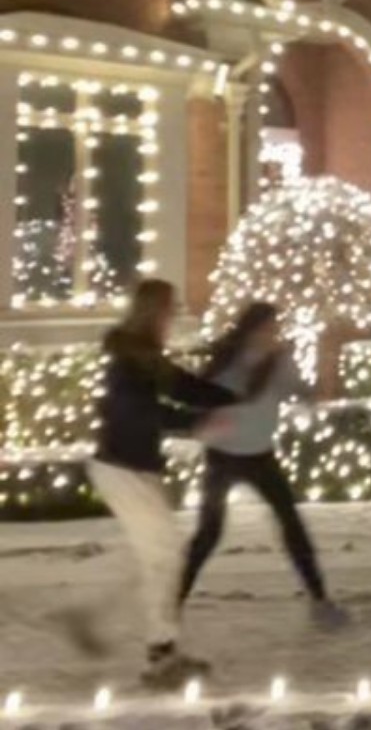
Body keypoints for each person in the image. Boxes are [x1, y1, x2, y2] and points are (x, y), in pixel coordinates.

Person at [61, 278, 239, 690]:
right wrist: (201, 422)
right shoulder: (127, 362)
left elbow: (183, 386)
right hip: (121, 470)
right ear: (153, 312)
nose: (173, 316)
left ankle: (89, 616)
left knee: (155, 557)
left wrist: (230, 399)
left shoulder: (143, 357)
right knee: (166, 555)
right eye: (169, 309)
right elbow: (145, 414)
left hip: (135, 468)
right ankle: (160, 654)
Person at [180, 301, 348, 629]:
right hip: (223, 456)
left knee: (291, 525)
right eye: (268, 328)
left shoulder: (279, 362)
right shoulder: (229, 359)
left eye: (275, 328)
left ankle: (320, 600)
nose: (273, 334)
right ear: (252, 329)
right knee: (209, 533)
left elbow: (304, 394)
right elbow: (206, 395)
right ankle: (172, 601)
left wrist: (320, 378)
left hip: (260, 455)